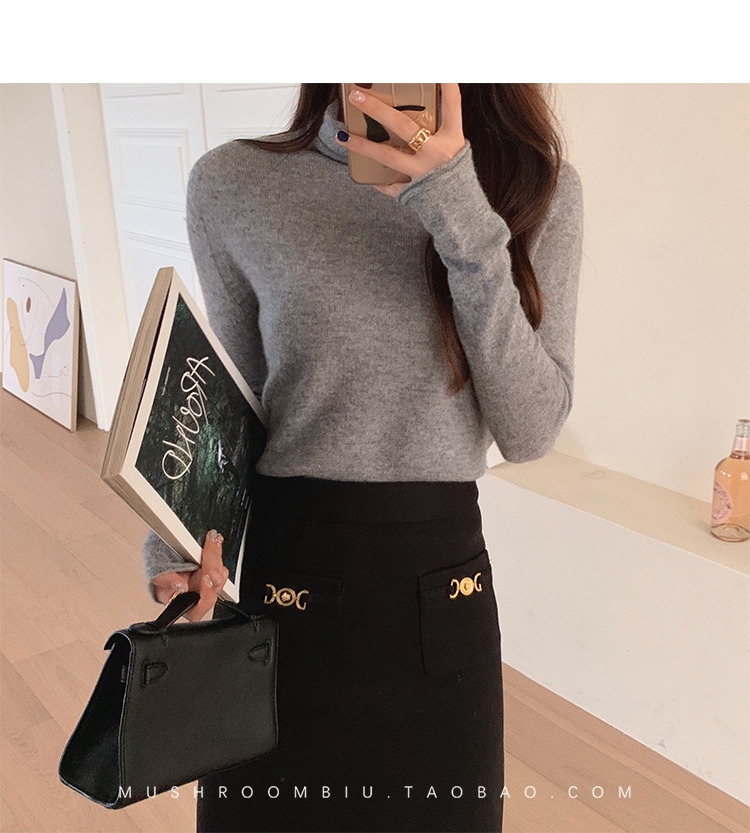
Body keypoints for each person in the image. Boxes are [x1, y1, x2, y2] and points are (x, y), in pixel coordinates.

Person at [143, 83, 583, 833]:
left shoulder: (535, 186)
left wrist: (457, 208)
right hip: (284, 586)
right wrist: (179, 535)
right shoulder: (234, 182)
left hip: (439, 595)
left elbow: (531, 429)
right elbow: (231, 399)